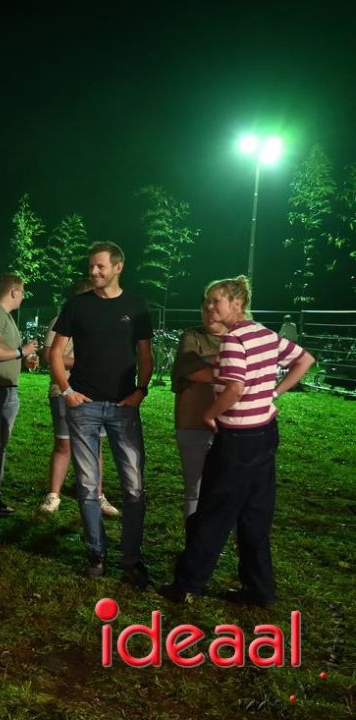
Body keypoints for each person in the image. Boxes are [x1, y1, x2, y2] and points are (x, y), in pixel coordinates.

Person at [161, 276, 314, 607]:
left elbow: (234, 387)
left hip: (237, 439)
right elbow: (305, 359)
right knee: (255, 515)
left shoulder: (233, 339)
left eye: (216, 300)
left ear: (237, 303)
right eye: (208, 300)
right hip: (266, 433)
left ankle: (188, 585)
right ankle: (259, 589)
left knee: (212, 513)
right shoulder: (265, 334)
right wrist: (274, 393)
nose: (210, 306)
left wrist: (210, 414)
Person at [49, 242, 153, 586]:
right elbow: (55, 352)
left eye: (100, 267)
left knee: (134, 487)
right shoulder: (77, 305)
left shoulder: (136, 306)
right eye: (91, 266)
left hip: (124, 407)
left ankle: (132, 558)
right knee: (88, 485)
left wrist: (141, 390)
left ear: (118, 267)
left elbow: (145, 354)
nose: (93, 272)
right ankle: (96, 553)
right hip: (84, 407)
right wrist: (67, 391)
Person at [39, 279, 118, 517]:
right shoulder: (61, 320)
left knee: (95, 446)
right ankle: (53, 495)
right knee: (64, 444)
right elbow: (49, 355)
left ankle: (98, 495)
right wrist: (82, 363)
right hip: (64, 390)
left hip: (97, 392)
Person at [0, 273, 38, 517]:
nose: (23, 297)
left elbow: (3, 351)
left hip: (5, 389)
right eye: (22, 292)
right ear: (13, 291)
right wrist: (21, 352)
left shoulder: (5, 316)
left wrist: (22, 359)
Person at [171, 302, 226, 518]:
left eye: (216, 308)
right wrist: (236, 375)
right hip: (193, 421)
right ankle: (195, 536)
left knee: (228, 488)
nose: (209, 313)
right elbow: (192, 370)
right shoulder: (192, 336)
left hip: (233, 425)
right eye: (205, 308)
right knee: (195, 489)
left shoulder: (240, 337)